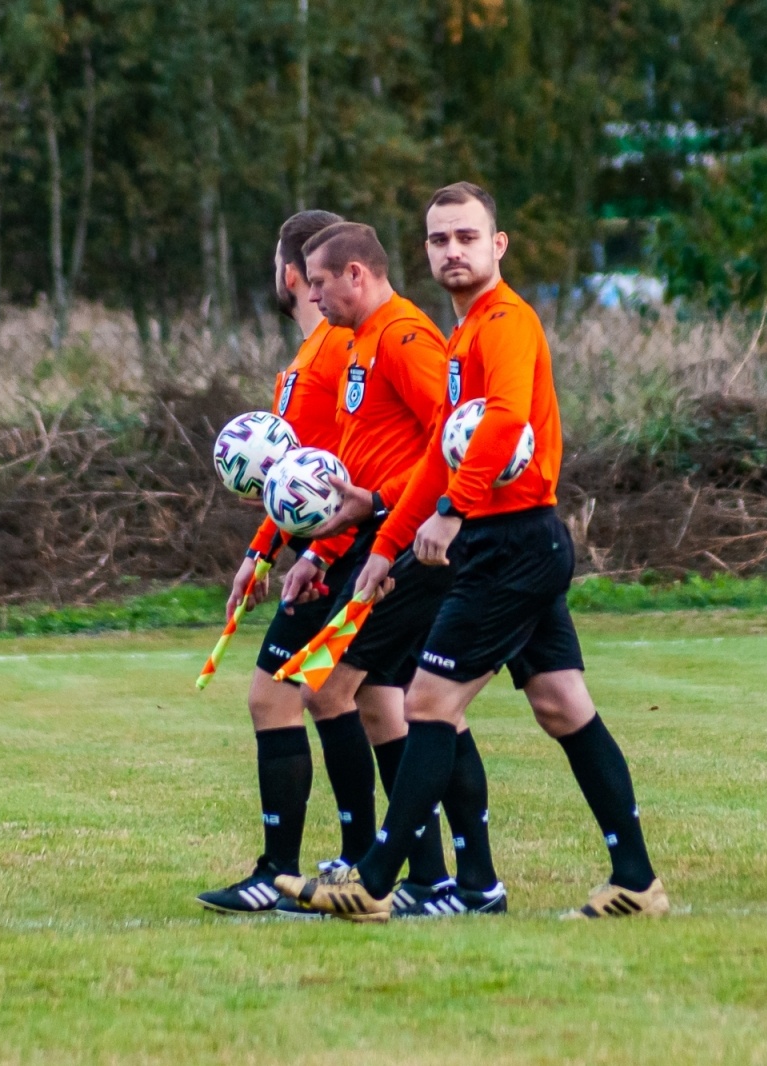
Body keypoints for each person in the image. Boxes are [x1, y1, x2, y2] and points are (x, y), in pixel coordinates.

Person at [274, 182, 667, 921]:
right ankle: (636, 881)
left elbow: (507, 422)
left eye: (466, 237)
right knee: (560, 704)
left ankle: (381, 879)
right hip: (509, 538)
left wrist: (453, 513)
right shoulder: (462, 334)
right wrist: (388, 545)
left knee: (425, 701)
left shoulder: (505, 323)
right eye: (438, 239)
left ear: (498, 245)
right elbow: (435, 458)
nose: (452, 250)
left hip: (509, 540)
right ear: (424, 250)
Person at [278, 220, 480, 917]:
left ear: (357, 275)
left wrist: (395, 511)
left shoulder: (402, 336)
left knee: (328, 690)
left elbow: (455, 435)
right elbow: (363, 462)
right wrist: (318, 548)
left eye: (325, 283)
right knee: (375, 701)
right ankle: (428, 876)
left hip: (419, 545)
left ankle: (381, 866)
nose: (317, 297)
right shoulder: (360, 340)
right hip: (376, 539)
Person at [197, 209, 373, 916]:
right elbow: (298, 477)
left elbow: (345, 471)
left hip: (339, 556)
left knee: (282, 696)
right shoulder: (310, 359)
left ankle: (288, 869)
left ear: (289, 271)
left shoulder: (330, 354)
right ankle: (353, 860)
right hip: (328, 553)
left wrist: (319, 554)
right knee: (348, 700)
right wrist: (262, 549)